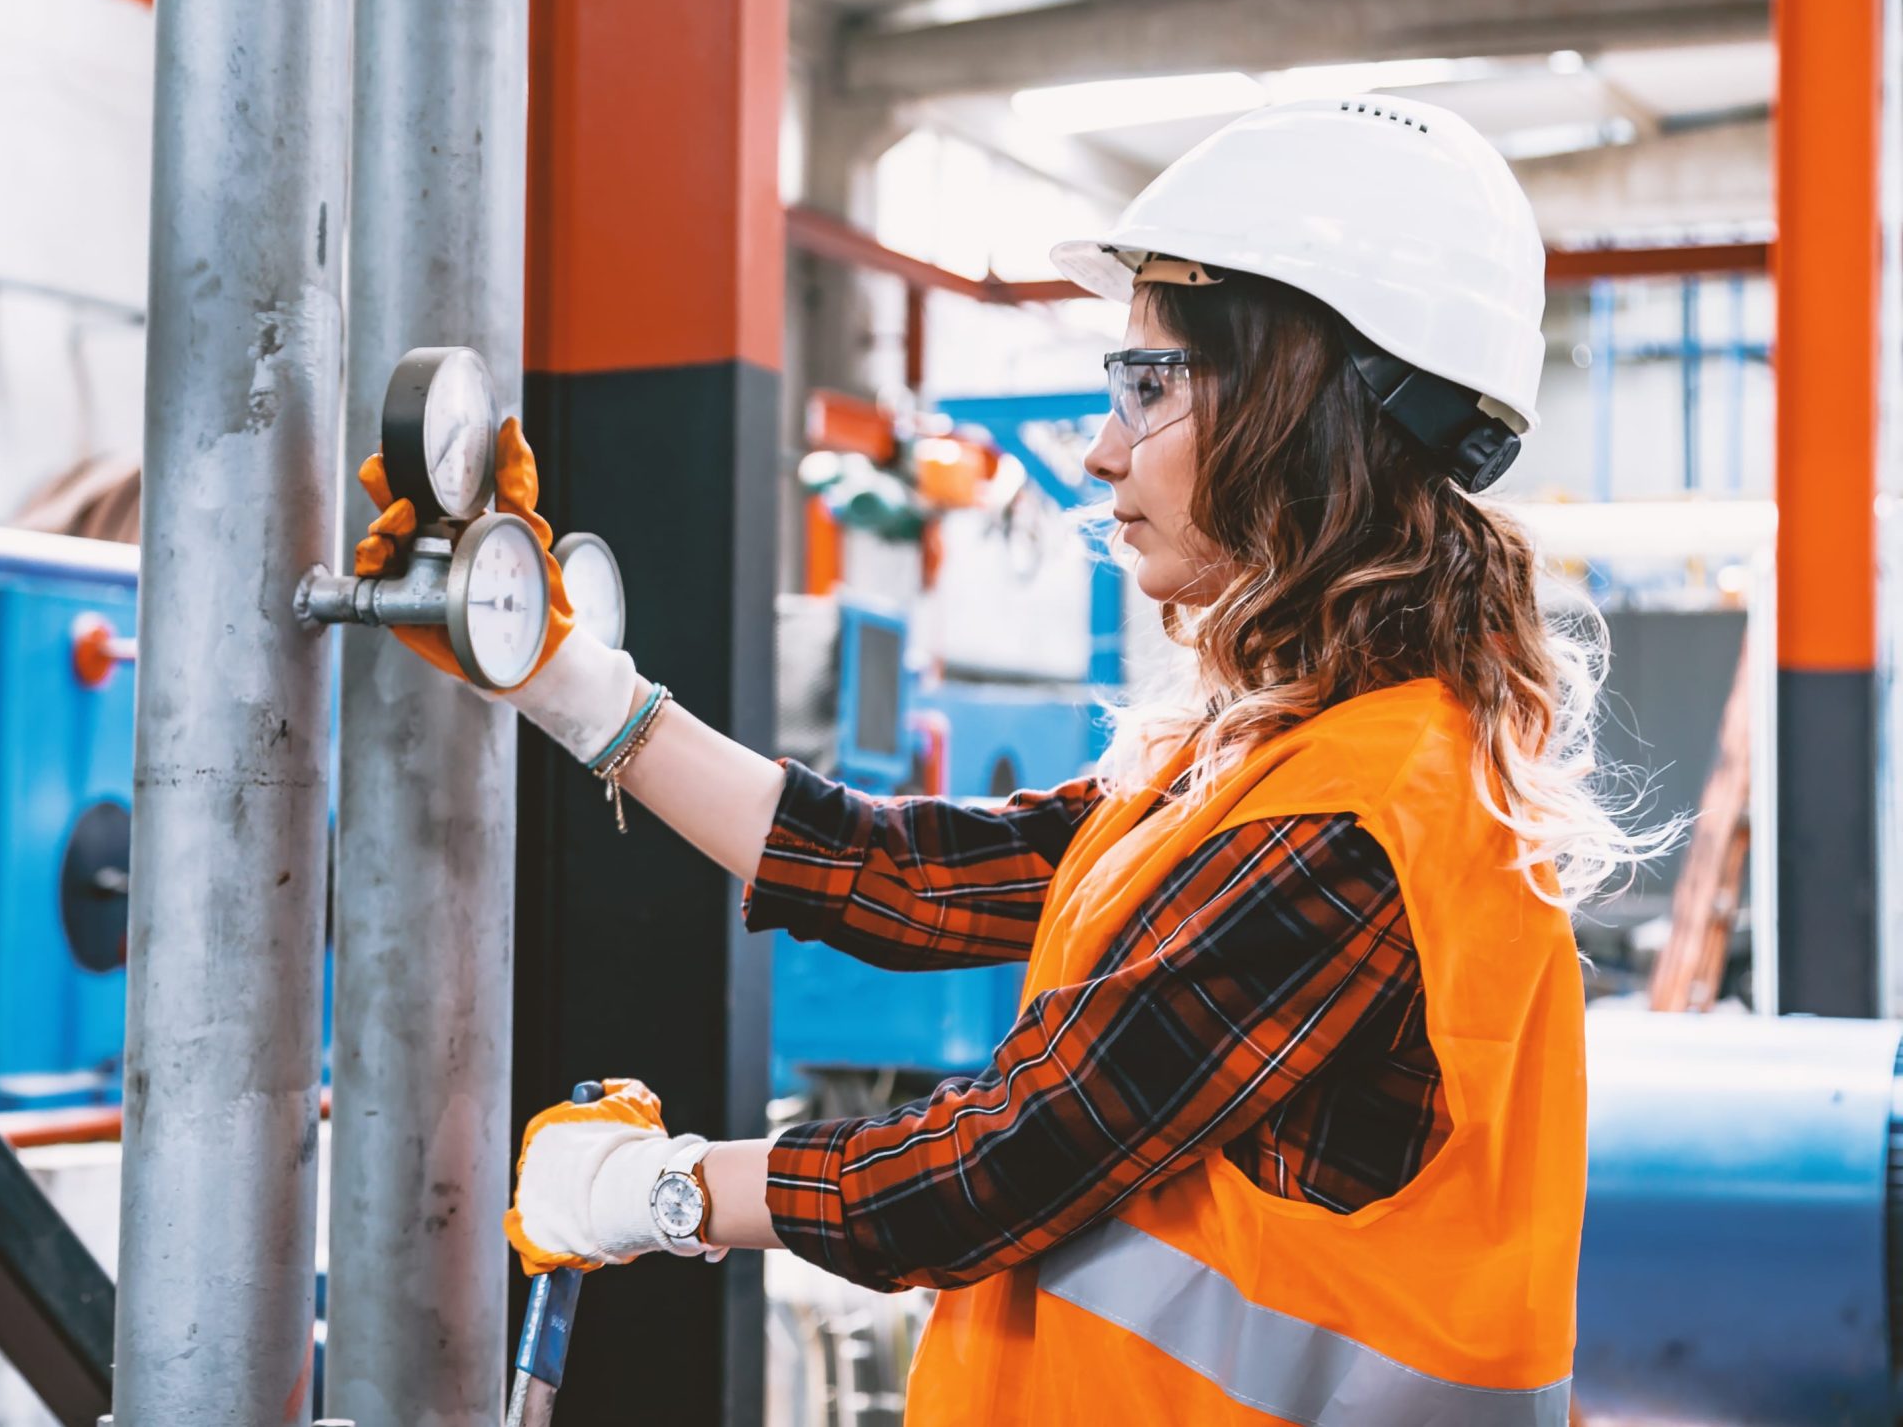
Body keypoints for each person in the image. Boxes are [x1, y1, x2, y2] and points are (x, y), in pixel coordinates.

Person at [359, 95, 1648, 1424]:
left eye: (1147, 387)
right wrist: (573, 685)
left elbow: (995, 1166)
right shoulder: (1273, 758)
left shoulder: (1355, 826)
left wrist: (660, 1190)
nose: (1101, 449)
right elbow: (907, 875)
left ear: (1297, 409)